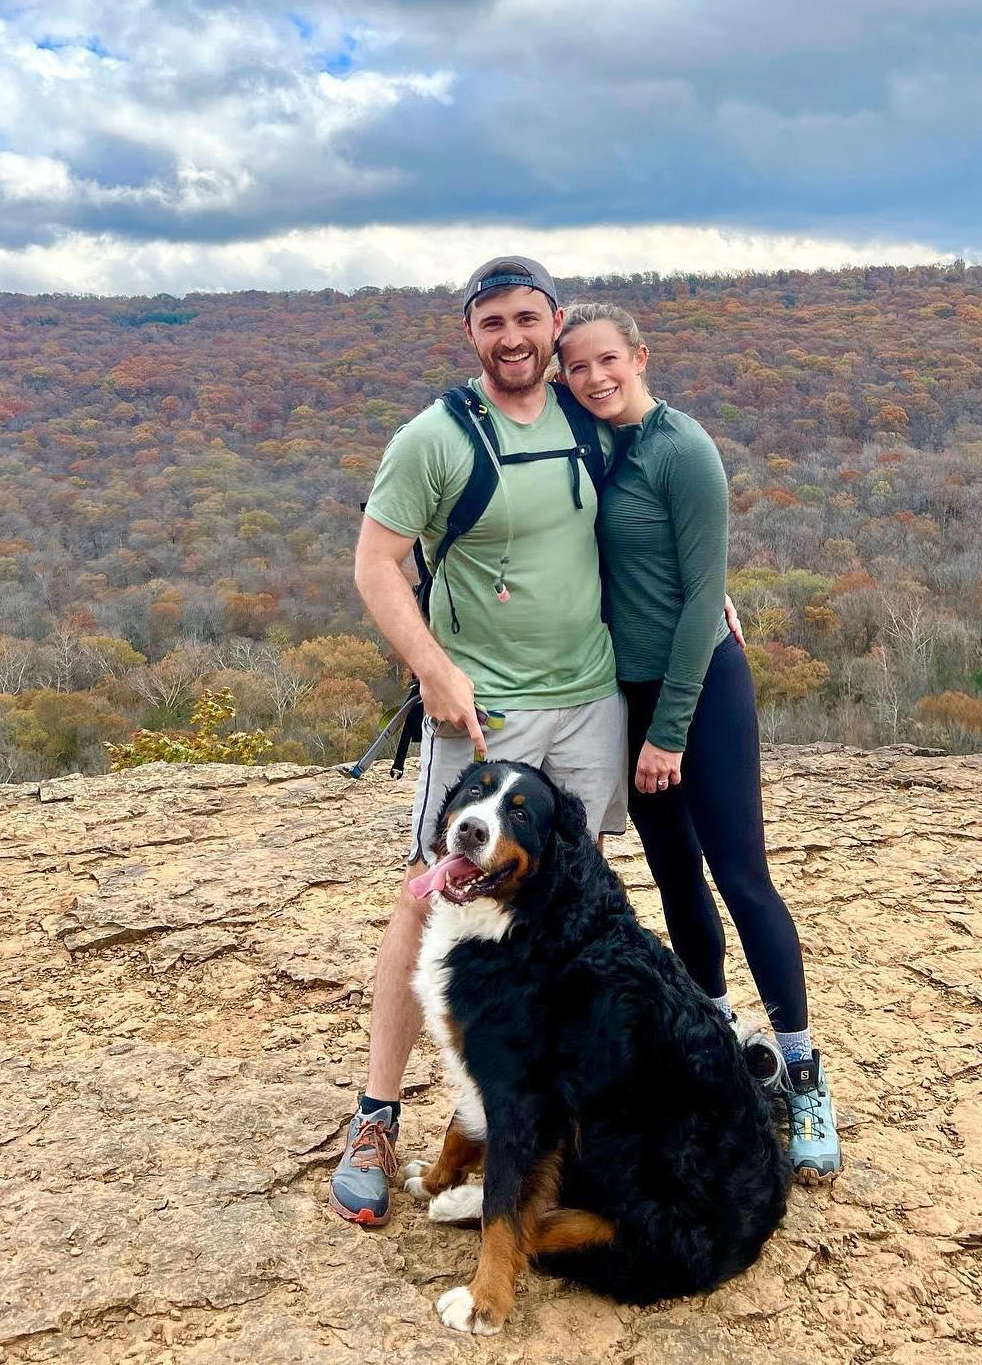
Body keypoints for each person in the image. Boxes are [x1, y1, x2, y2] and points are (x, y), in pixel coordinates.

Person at [328, 255, 632, 1225]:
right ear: (472, 331)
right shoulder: (436, 438)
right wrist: (430, 667)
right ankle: (377, 1117)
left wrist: (710, 592)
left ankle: (525, 1118)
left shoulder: (591, 416)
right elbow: (377, 562)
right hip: (481, 713)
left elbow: (645, 521)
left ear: (555, 323)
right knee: (433, 899)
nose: (512, 337)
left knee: (566, 906)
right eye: (492, 320)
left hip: (588, 700)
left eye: (528, 318)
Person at [556, 299, 842, 1182]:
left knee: (741, 877)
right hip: (625, 692)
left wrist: (669, 731)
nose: (596, 378)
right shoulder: (587, 441)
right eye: (579, 366)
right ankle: (714, 1037)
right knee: (676, 877)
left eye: (610, 360)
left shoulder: (684, 450)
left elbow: (697, 597)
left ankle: (800, 1070)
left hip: (698, 691)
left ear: (641, 356)